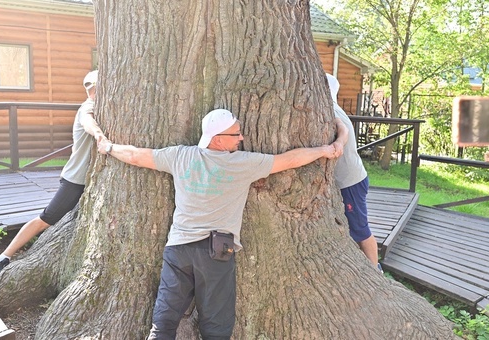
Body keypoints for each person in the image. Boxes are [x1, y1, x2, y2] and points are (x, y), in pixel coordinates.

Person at [97, 108, 341, 340]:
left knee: (164, 323)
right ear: (217, 139)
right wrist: (324, 150)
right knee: (216, 328)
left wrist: (108, 147)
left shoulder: (180, 156)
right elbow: (289, 160)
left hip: (178, 251)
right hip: (216, 254)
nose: (241, 137)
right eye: (235, 133)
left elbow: (136, 156)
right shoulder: (242, 164)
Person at [0, 70, 106, 278]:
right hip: (75, 180)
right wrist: (98, 134)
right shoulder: (88, 108)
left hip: (89, 180)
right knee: (46, 219)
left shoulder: (103, 108)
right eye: (93, 89)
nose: (94, 93)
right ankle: (2, 258)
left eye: (96, 88)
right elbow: (88, 121)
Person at [326, 73, 382, 272]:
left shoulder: (330, 110)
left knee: (360, 230)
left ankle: (376, 271)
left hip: (350, 182)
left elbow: (343, 133)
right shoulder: (334, 108)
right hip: (352, 178)